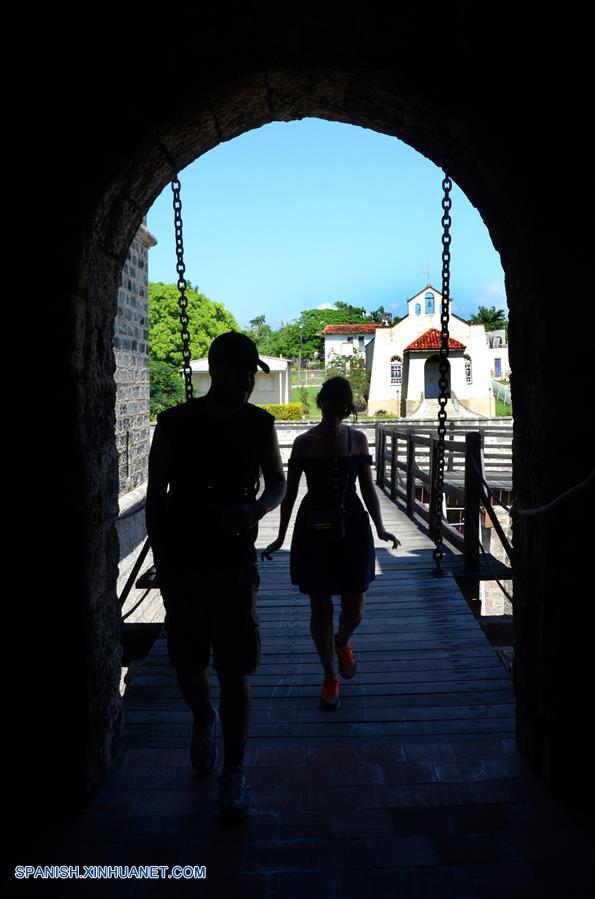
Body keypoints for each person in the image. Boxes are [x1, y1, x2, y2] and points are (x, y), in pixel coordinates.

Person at [146, 331, 286, 820]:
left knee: (235, 667)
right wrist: (163, 562)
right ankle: (203, 718)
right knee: (188, 665)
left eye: (252, 373)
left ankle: (235, 767)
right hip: (184, 561)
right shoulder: (174, 424)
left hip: (233, 560)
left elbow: (278, 483)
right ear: (218, 370)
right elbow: (156, 497)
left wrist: (257, 510)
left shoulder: (259, 425)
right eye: (242, 371)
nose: (249, 381)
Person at [262, 376, 400, 709]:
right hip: (313, 525)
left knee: (355, 607)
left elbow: (367, 487)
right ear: (322, 403)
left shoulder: (358, 439)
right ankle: (329, 674)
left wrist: (380, 527)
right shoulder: (303, 443)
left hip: (352, 522)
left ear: (347, 409)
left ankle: (342, 642)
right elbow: (291, 492)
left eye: (342, 407)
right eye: (332, 405)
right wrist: (280, 536)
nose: (336, 412)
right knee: (319, 605)